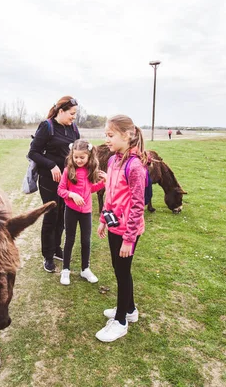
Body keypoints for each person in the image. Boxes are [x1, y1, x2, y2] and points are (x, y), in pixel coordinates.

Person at [95, 114, 147, 343]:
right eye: (105, 135)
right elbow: (109, 193)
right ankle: (130, 309)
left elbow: (137, 205)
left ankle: (120, 321)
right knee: (119, 269)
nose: (106, 139)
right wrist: (103, 219)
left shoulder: (135, 166)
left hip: (127, 231)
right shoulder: (113, 161)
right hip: (114, 226)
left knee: (122, 272)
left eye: (110, 135)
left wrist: (129, 238)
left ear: (127, 136)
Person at [28, 96, 80, 273]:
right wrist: (51, 165)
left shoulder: (73, 128)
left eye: (75, 114)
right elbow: (33, 152)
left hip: (67, 181)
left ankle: (57, 248)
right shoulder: (47, 126)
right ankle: (47, 256)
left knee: (63, 216)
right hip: (49, 181)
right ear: (61, 111)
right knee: (51, 216)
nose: (74, 117)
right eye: (71, 113)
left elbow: (77, 150)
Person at [57, 139, 106, 285]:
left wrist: (104, 182)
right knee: (69, 240)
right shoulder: (67, 171)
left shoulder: (91, 172)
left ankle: (85, 269)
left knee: (86, 241)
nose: (78, 160)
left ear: (89, 157)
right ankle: (65, 270)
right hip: (71, 210)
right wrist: (72, 195)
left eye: (82, 157)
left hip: (86, 212)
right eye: (76, 157)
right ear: (72, 155)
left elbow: (91, 189)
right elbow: (60, 190)